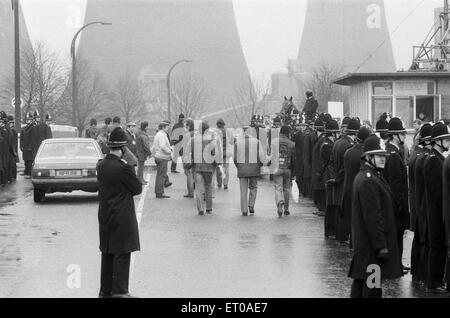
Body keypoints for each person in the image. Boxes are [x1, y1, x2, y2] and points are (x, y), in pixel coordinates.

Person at [349, 134, 401, 298]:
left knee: (360, 282)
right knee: (372, 288)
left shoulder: (369, 176)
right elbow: (373, 217)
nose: (383, 159)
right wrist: (381, 245)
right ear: (368, 157)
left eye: (384, 155)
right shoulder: (369, 180)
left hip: (366, 244)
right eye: (379, 156)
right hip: (372, 247)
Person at [96, 127, 142, 298]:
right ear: (123, 149)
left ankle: (105, 290)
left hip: (105, 214)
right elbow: (136, 188)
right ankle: (120, 291)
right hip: (122, 215)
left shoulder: (100, 165)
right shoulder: (124, 168)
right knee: (122, 252)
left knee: (107, 252)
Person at [423, 122, 450, 293]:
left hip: (436, 210)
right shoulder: (434, 161)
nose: (448, 142)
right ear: (438, 141)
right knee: (437, 246)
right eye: (446, 139)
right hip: (436, 211)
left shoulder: (437, 159)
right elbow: (437, 191)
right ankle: (434, 281)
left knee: (439, 246)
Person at [383, 117, 410, 274]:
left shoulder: (391, 151)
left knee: (397, 236)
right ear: (394, 135)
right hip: (395, 205)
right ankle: (395, 266)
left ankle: (397, 264)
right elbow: (395, 184)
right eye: (402, 134)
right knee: (396, 236)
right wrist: (400, 205)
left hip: (392, 204)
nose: (404, 137)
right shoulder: (392, 154)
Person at [330, 117, 360, 242]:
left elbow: (332, 162)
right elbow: (344, 166)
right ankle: (343, 235)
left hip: (338, 178)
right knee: (345, 211)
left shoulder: (337, 142)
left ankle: (339, 234)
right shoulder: (349, 145)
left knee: (339, 208)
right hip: (343, 180)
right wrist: (338, 179)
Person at [410, 123, 433, 285]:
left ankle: (417, 271)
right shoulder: (425, 157)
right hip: (423, 203)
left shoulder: (416, 154)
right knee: (424, 240)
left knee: (419, 239)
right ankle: (422, 273)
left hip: (417, 202)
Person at [341, 126, 370, 246]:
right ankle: (355, 243)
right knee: (359, 220)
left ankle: (352, 242)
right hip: (358, 189)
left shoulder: (348, 151)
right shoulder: (363, 154)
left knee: (353, 219)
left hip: (347, 188)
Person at [186, 121, 221, 215]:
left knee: (198, 187)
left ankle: (200, 208)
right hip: (209, 167)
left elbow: (188, 152)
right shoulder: (211, 140)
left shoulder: (193, 140)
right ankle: (209, 208)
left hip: (196, 166)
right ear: (207, 130)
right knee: (208, 186)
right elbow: (215, 153)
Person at [234, 125, 270, 216]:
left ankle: (244, 210)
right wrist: (261, 165)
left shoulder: (237, 143)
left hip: (242, 169)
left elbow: (235, 158)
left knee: (243, 190)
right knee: (253, 187)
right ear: (250, 132)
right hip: (254, 169)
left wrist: (238, 166)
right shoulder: (257, 142)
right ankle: (251, 205)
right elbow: (261, 156)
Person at [270, 125, 295, 217]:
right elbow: (294, 159)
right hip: (287, 168)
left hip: (277, 168)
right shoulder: (292, 144)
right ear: (288, 133)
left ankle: (280, 202)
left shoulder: (273, 142)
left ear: (280, 132)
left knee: (278, 188)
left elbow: (271, 155)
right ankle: (287, 208)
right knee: (287, 189)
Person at [321, 119, 340, 237]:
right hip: (329, 175)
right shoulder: (328, 146)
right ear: (333, 133)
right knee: (330, 203)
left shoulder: (327, 143)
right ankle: (330, 230)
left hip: (329, 175)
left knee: (331, 203)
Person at [152, 121, 173, 198]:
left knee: (159, 175)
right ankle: (160, 192)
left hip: (160, 156)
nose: (169, 129)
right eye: (167, 127)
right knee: (162, 176)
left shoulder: (159, 134)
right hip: (162, 157)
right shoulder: (161, 135)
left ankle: (158, 192)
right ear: (163, 127)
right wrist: (170, 151)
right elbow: (163, 146)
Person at [182, 119, 195, 198]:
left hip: (188, 157)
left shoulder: (187, 135)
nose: (184, 126)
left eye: (185, 125)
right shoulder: (197, 134)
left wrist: (184, 158)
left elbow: (184, 148)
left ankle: (190, 192)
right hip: (196, 157)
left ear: (188, 126)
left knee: (188, 174)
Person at [215, 118, 231, 190]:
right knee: (226, 168)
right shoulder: (228, 132)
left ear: (217, 125)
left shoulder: (215, 132)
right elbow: (232, 141)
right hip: (226, 153)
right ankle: (225, 184)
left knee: (218, 168)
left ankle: (219, 183)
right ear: (224, 125)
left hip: (218, 153)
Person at [20, 112, 35, 178]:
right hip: (25, 148)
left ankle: (29, 173)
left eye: (29, 119)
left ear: (31, 120)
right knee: (26, 161)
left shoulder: (33, 128)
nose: (27, 121)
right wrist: (21, 146)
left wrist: (31, 147)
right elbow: (22, 138)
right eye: (27, 120)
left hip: (30, 148)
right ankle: (26, 172)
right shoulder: (25, 128)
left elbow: (33, 139)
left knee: (30, 161)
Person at [7, 115, 19, 182]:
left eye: (12, 123)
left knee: (12, 164)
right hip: (11, 150)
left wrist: (14, 151)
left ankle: (13, 177)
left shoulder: (13, 131)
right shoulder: (12, 130)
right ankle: (12, 176)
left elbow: (14, 142)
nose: (11, 124)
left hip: (12, 150)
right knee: (11, 164)